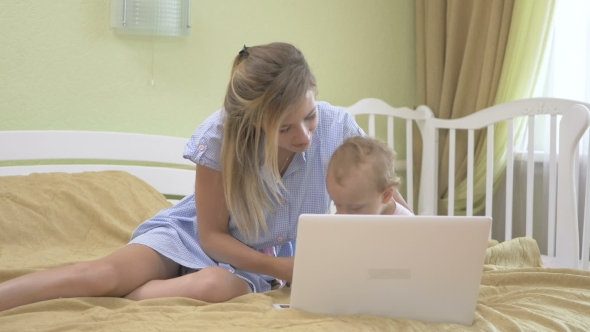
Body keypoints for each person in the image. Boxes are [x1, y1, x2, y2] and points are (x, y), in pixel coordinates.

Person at [0, 42, 409, 311]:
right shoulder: (221, 137)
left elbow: (383, 195)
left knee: (213, 286)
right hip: (191, 237)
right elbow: (211, 236)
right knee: (101, 274)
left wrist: (414, 233)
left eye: (310, 116)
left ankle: (122, 299)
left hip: (254, 265)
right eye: (284, 129)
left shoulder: (339, 127)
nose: (303, 136)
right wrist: (289, 271)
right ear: (253, 123)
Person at [326, 136, 414, 215]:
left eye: (355, 208)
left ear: (385, 195)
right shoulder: (341, 218)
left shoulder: (405, 223)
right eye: (337, 204)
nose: (343, 215)